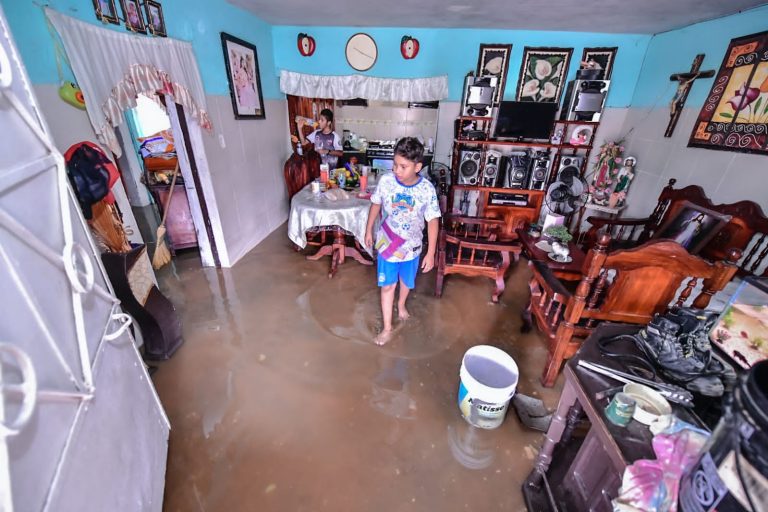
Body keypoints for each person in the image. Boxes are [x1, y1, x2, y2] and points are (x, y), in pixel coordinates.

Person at [364, 137, 441, 346]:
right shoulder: (386, 181)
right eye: (395, 164)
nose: (397, 170)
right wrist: (369, 230)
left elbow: (433, 221)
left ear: (417, 167)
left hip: (412, 247)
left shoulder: (426, 190)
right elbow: (376, 204)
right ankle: (387, 328)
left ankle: (401, 305)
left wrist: (431, 253)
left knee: (406, 282)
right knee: (388, 285)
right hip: (387, 243)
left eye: (403, 166)